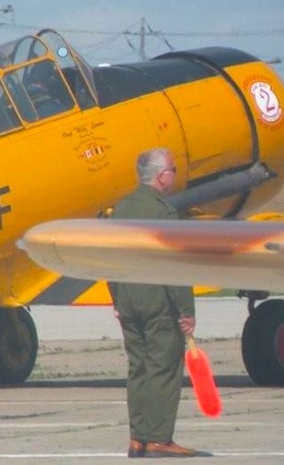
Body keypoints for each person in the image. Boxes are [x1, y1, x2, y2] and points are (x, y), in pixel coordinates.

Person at [108, 147, 199, 459]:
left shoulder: (121, 208)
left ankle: (137, 438)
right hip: (156, 299)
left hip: (128, 298)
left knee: (138, 367)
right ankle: (159, 438)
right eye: (173, 169)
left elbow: (109, 257)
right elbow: (172, 265)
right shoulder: (163, 212)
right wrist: (186, 311)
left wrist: (116, 297)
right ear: (162, 176)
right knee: (164, 367)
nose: (175, 173)